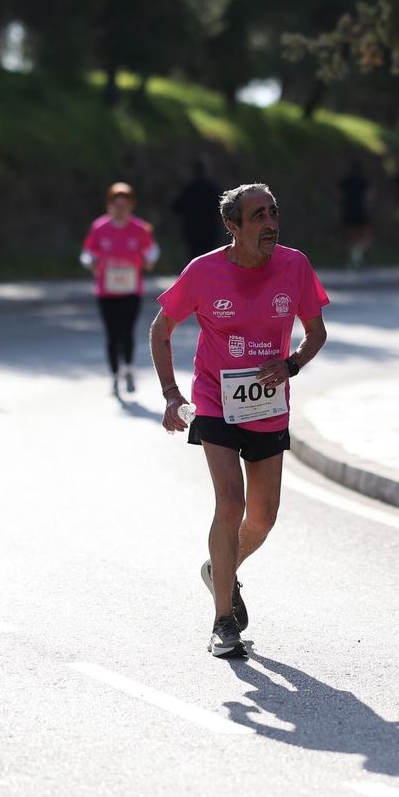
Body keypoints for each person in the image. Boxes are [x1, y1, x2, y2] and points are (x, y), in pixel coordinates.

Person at [149, 183, 329, 658]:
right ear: (233, 227)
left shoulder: (295, 265)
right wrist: (172, 395)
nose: (270, 223)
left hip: (269, 405)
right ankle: (223, 621)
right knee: (230, 504)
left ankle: (218, 570)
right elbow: (160, 328)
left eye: (274, 212)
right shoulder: (204, 271)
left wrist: (290, 365)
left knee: (262, 519)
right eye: (258, 216)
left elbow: (316, 332)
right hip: (216, 400)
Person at [81, 182, 160, 394]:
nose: (120, 210)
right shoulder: (99, 227)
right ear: (109, 205)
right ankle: (114, 375)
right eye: (116, 205)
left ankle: (129, 369)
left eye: (124, 205)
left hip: (131, 290)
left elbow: (152, 251)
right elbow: (87, 252)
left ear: (131, 206)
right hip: (106, 290)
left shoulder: (140, 228)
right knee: (112, 334)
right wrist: (91, 262)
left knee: (126, 332)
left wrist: (149, 261)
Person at [172, 158, 225, 261]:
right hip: (208, 231)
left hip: (193, 231)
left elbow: (176, 208)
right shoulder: (212, 189)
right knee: (209, 259)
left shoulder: (189, 189)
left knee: (194, 260)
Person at [340, 159, 371, 268]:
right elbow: (368, 196)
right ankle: (357, 256)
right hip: (360, 209)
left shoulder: (347, 180)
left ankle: (353, 256)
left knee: (351, 234)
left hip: (349, 209)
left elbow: (341, 196)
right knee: (362, 234)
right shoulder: (364, 180)